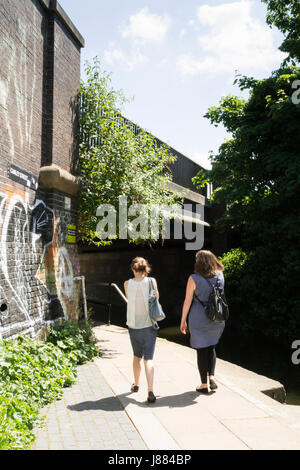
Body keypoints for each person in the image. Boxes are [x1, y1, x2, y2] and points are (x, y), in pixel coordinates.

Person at [180, 250, 225, 394]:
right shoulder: (220, 275)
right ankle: (212, 377)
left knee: (201, 350)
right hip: (217, 316)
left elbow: (187, 302)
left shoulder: (193, 278)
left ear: (199, 262)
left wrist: (183, 320)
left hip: (198, 317)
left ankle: (204, 384)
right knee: (211, 347)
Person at [124, 257, 159, 403]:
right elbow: (156, 298)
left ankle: (136, 384)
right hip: (149, 325)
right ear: (146, 269)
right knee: (148, 359)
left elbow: (129, 299)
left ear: (133, 269)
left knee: (137, 356)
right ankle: (150, 390)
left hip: (133, 326)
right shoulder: (152, 281)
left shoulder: (127, 284)